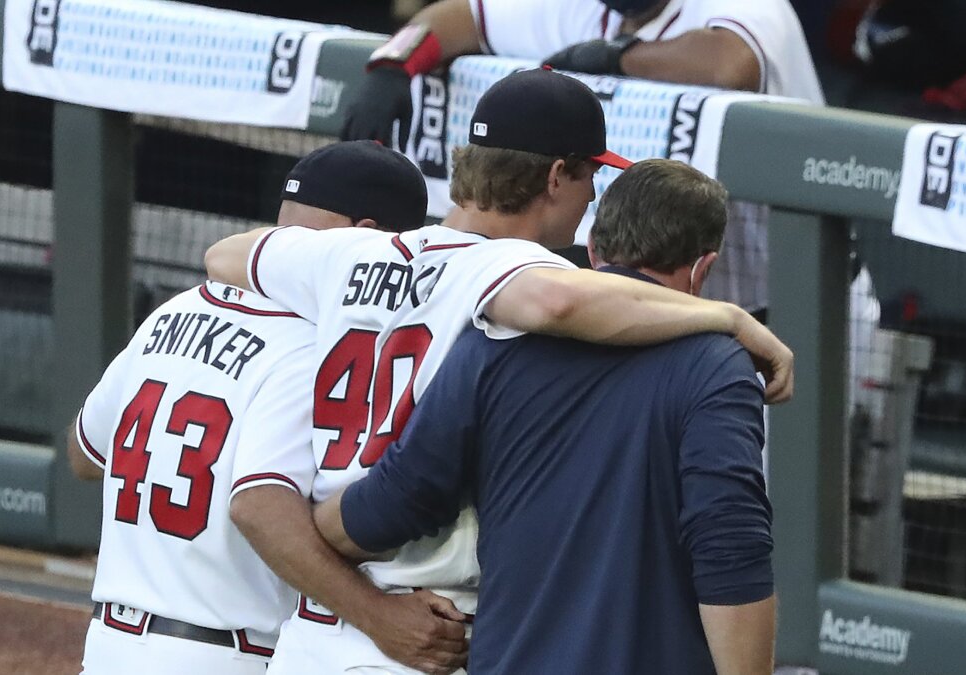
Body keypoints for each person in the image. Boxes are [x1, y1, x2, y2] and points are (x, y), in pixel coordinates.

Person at [205, 68, 789, 674]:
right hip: (425, 618)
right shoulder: (514, 270)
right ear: (557, 175)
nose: (592, 197)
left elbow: (222, 254)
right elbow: (560, 302)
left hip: (323, 607)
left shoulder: (360, 249)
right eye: (589, 174)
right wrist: (730, 319)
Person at [314, 158, 776, 675]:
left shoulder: (496, 338)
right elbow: (730, 550)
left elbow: (396, 500)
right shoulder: (716, 367)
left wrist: (302, 526)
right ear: (702, 269)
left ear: (595, 250)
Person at [68, 141, 467, 675]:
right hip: (222, 653)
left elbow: (84, 455)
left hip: (109, 645)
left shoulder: (175, 309)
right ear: (368, 234)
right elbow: (259, 507)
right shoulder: (314, 342)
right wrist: (378, 617)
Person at [342, 0, 824, 315]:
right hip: (671, 308)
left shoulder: (750, 7)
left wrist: (620, 58)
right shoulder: (578, 7)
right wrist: (392, 63)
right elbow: (457, 15)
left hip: (794, 302)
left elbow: (728, 63)